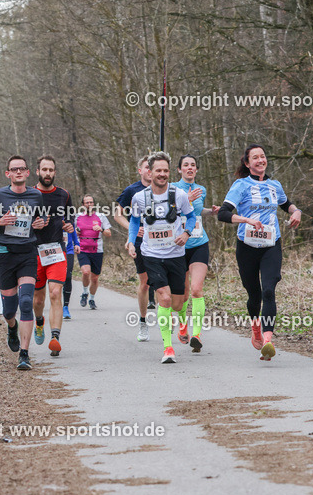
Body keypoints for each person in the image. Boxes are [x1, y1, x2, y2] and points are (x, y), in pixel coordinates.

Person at [217, 144, 301, 361]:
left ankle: (268, 340)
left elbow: (287, 204)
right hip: (247, 246)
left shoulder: (275, 185)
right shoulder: (241, 185)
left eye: (262, 156)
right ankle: (255, 328)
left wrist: (297, 212)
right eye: (255, 157)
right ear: (247, 163)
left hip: (271, 244)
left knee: (269, 291)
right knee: (254, 294)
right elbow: (223, 214)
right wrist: (246, 219)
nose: (260, 160)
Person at [127, 152, 195, 363]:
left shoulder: (179, 195)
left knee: (177, 302)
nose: (162, 174)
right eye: (158, 170)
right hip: (152, 255)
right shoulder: (140, 197)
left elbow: (191, 216)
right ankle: (167, 348)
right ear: (150, 172)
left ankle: (182, 321)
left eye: (166, 170)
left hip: (175, 254)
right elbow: (134, 221)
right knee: (163, 298)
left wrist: (186, 233)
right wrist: (131, 241)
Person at [0, 155, 46, 370]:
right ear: (7, 173)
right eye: (14, 169)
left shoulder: (36, 195)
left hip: (27, 253)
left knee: (26, 301)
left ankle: (25, 354)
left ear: (28, 173)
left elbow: (42, 219)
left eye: (22, 169)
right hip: (4, 254)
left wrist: (40, 223)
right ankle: (12, 326)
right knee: (9, 310)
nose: (18, 172)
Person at [31, 156, 74, 356]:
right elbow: (20, 223)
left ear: (55, 172)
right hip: (35, 251)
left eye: (51, 170)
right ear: (37, 171)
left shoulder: (63, 195)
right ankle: (39, 321)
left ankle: (55, 337)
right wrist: (33, 225)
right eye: (44, 169)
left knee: (56, 293)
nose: (48, 173)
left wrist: (69, 224)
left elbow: (70, 215)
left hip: (57, 250)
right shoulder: (30, 194)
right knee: (38, 300)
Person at [170, 155, 212, 352]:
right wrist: (186, 199)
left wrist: (210, 212)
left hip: (199, 243)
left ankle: (196, 334)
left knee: (196, 289)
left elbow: (196, 212)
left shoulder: (201, 189)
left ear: (196, 170)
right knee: (183, 293)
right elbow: (169, 212)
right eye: (185, 165)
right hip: (178, 246)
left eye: (193, 165)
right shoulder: (171, 188)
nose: (189, 168)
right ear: (179, 169)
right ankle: (182, 326)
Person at [115, 156, 152, 341]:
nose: (150, 170)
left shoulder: (165, 189)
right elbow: (117, 214)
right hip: (140, 241)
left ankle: (164, 321)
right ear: (140, 170)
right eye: (147, 167)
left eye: (152, 167)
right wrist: (132, 230)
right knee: (145, 283)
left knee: (163, 284)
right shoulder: (132, 190)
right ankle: (143, 322)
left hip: (162, 241)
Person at [76, 194, 111, 309]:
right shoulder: (78, 217)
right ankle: (85, 292)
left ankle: (91, 299)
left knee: (95, 278)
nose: (89, 205)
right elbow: (71, 232)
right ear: (83, 205)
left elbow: (108, 233)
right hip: (83, 248)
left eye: (91, 202)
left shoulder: (101, 216)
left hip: (97, 250)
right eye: (87, 203)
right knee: (86, 272)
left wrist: (101, 229)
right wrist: (75, 233)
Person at [61, 225, 79, 319]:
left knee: (68, 277)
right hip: (55, 250)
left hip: (68, 250)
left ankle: (65, 306)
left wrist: (76, 243)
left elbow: (73, 230)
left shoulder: (69, 215)